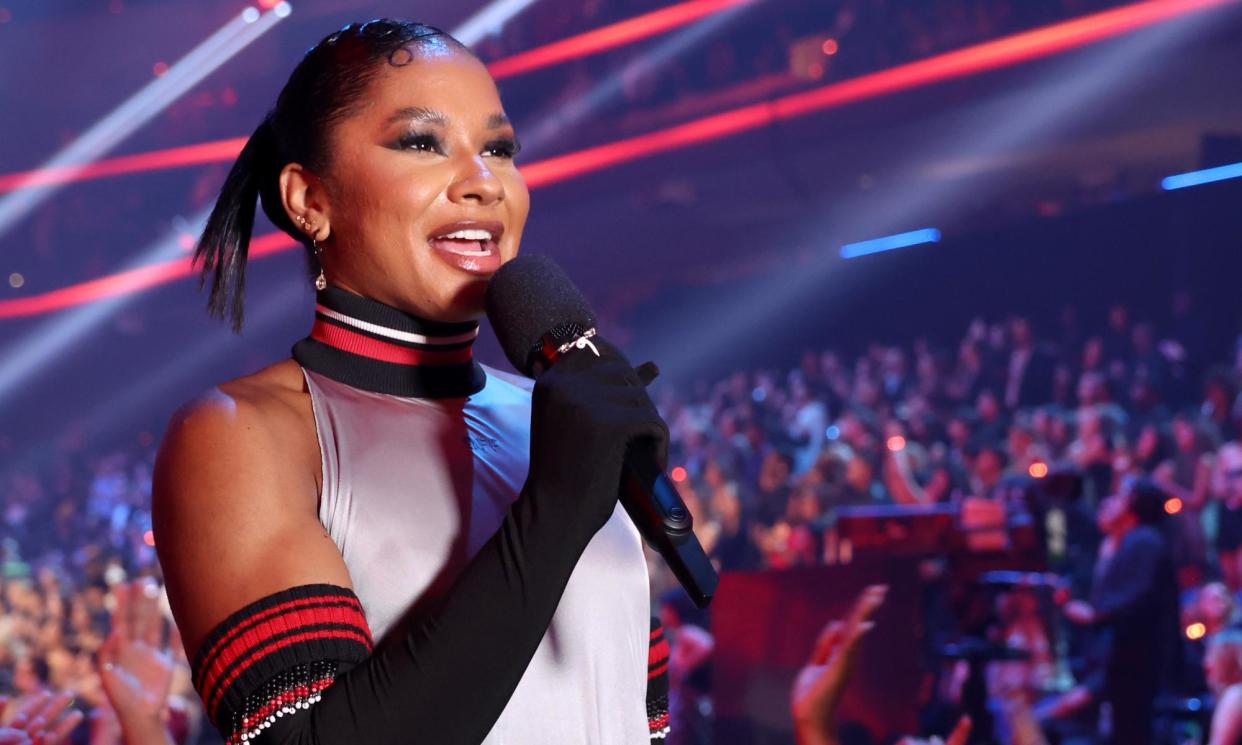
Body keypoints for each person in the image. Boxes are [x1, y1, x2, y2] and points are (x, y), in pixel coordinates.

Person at [152, 20, 667, 745]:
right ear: (309, 198)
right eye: (423, 143)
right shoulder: (242, 434)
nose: (483, 182)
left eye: (499, 149)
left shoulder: (557, 419)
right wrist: (555, 505)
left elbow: (626, 720)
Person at [1056, 478, 1181, 745]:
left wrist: (1094, 615)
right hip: (1123, 663)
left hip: (1135, 663)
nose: (1111, 501)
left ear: (1134, 502)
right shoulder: (1125, 542)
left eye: (1121, 495)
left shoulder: (1143, 540)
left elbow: (1135, 598)